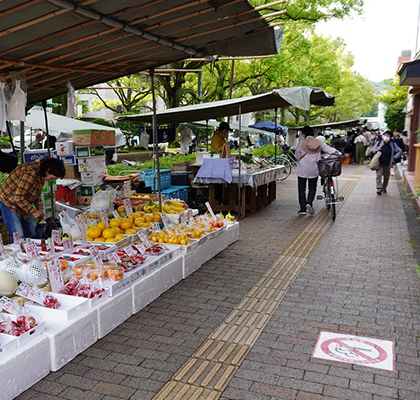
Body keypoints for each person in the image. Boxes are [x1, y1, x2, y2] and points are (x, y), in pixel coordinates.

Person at [0, 158, 65, 242]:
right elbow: (18, 197)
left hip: (24, 202)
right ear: (47, 170)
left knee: (31, 232)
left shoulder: (41, 175)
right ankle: (18, 254)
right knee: (18, 235)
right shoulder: (30, 173)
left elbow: (37, 195)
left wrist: (39, 209)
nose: (51, 180)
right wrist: (33, 211)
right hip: (10, 202)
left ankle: (32, 253)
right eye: (52, 177)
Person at [295, 126, 341, 216]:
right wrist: (338, 153)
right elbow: (329, 149)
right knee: (312, 187)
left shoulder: (301, 143)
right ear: (313, 134)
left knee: (301, 189)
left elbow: (297, 156)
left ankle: (303, 209)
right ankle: (309, 202)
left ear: (303, 134)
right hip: (314, 168)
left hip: (302, 169)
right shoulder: (318, 142)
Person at [372, 131, 402, 195]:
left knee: (386, 177)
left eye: (387, 136)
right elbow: (373, 150)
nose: (386, 137)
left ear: (390, 137)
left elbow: (399, 151)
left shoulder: (393, 145)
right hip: (379, 163)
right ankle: (379, 188)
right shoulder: (379, 143)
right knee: (379, 175)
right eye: (385, 135)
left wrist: (394, 157)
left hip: (388, 164)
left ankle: (384, 187)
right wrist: (377, 149)